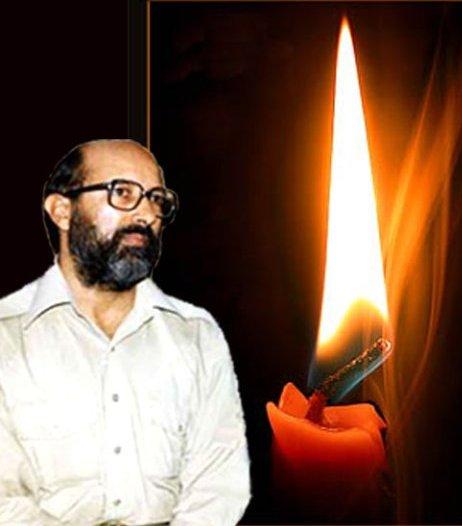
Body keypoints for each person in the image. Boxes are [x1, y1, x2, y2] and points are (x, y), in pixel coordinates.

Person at [0, 139, 251, 526]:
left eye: (156, 199)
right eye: (122, 193)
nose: (147, 214)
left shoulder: (196, 336)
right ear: (62, 210)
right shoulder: (8, 337)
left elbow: (218, 487)